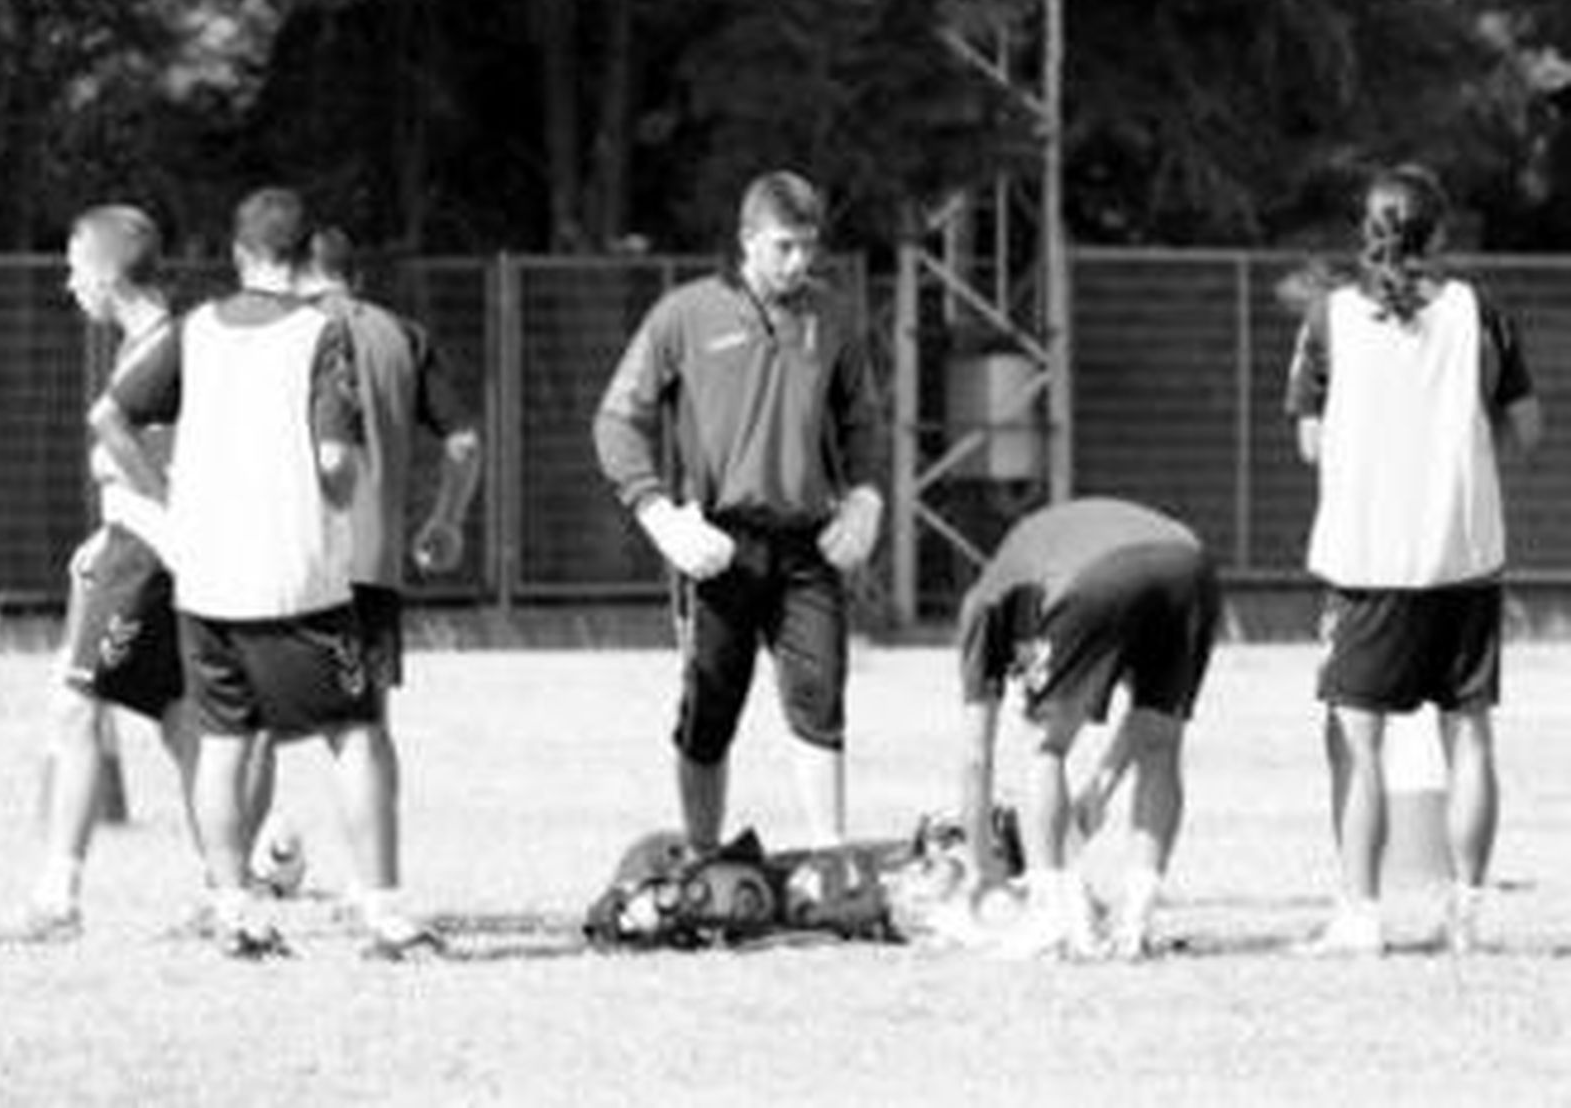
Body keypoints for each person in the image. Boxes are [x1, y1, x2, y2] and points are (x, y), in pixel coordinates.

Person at [92, 188, 431, 959]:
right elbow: (337, 459)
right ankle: (382, 910)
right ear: (308, 255)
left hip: (206, 575)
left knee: (224, 740)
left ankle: (233, 906)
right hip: (297, 575)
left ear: (238, 253)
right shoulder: (320, 335)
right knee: (357, 732)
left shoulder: (194, 330)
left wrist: (158, 489)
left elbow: (108, 416)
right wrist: (341, 499)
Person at [1285, 163, 1542, 956]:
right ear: (1441, 233)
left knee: (1356, 743)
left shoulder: (1329, 318)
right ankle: (1464, 912)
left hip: (1366, 561)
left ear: (1366, 234)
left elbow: (1309, 439)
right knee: (1469, 735)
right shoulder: (1479, 312)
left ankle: (1360, 914)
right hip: (1462, 555)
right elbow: (1528, 430)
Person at [592, 171, 884, 854]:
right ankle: (702, 856)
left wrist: (866, 495)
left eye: (809, 247)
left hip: (808, 544)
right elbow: (614, 421)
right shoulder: (684, 314)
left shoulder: (834, 316)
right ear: (747, 239)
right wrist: (657, 512)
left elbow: (862, 419)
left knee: (821, 698)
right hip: (716, 545)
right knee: (709, 708)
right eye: (784, 246)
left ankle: (828, 857)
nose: (799, 262)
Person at [0, 206, 196, 944]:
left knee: (76, 708)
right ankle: (226, 883)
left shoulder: (162, 346)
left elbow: (148, 454)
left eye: (74, 266)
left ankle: (56, 899)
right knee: (181, 719)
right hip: (143, 551)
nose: (69, 283)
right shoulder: (153, 343)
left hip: (144, 560)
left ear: (105, 272)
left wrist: (141, 520)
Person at [248, 226, 481, 908]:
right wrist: (446, 519)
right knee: (364, 727)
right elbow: (464, 443)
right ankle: (372, 882)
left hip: (294, 555)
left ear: (297, 273)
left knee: (252, 722)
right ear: (355, 276)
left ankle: (238, 882)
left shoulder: (284, 332)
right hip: (375, 561)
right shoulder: (402, 335)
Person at [950, 497, 1222, 961]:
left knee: (1045, 746)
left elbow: (976, 757)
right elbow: (1145, 725)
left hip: (1098, 573)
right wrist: (1099, 789)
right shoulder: (1033, 559)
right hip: (1190, 564)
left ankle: (1051, 914)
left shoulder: (983, 605)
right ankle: (1135, 920)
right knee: (1163, 744)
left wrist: (982, 873)